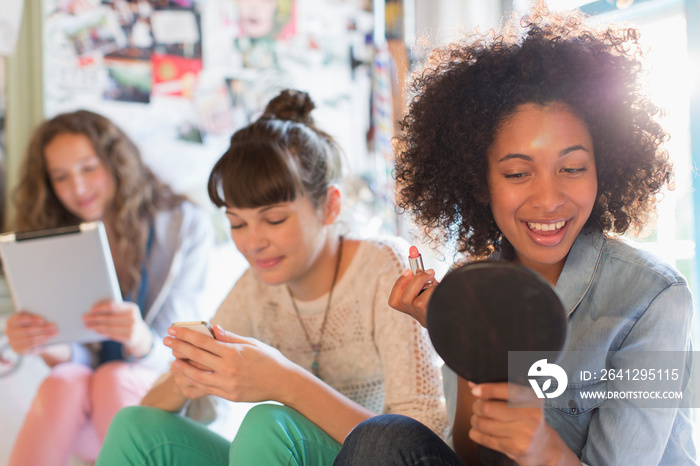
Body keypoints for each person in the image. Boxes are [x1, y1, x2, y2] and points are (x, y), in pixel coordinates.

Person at [333, 8, 696, 466]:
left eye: (572, 168)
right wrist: (463, 336)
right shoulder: (473, 284)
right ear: (479, 180)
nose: (548, 199)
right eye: (518, 172)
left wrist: (544, 449)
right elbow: (470, 456)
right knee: (382, 438)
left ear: (604, 170)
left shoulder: (657, 298)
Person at [96, 89, 448, 465]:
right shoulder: (255, 287)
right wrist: (186, 379)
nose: (253, 243)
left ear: (330, 206)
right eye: (236, 223)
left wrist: (286, 381)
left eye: (274, 219)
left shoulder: (382, 265)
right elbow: (161, 405)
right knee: (134, 424)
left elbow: (418, 438)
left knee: (268, 424)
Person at [6, 109, 216, 466]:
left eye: (89, 168)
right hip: (93, 412)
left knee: (113, 377)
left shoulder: (185, 226)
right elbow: (80, 360)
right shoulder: (56, 240)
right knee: (65, 380)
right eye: (61, 177)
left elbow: (184, 355)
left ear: (116, 162)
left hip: (163, 403)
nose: (79, 188)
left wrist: (141, 340)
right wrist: (47, 342)